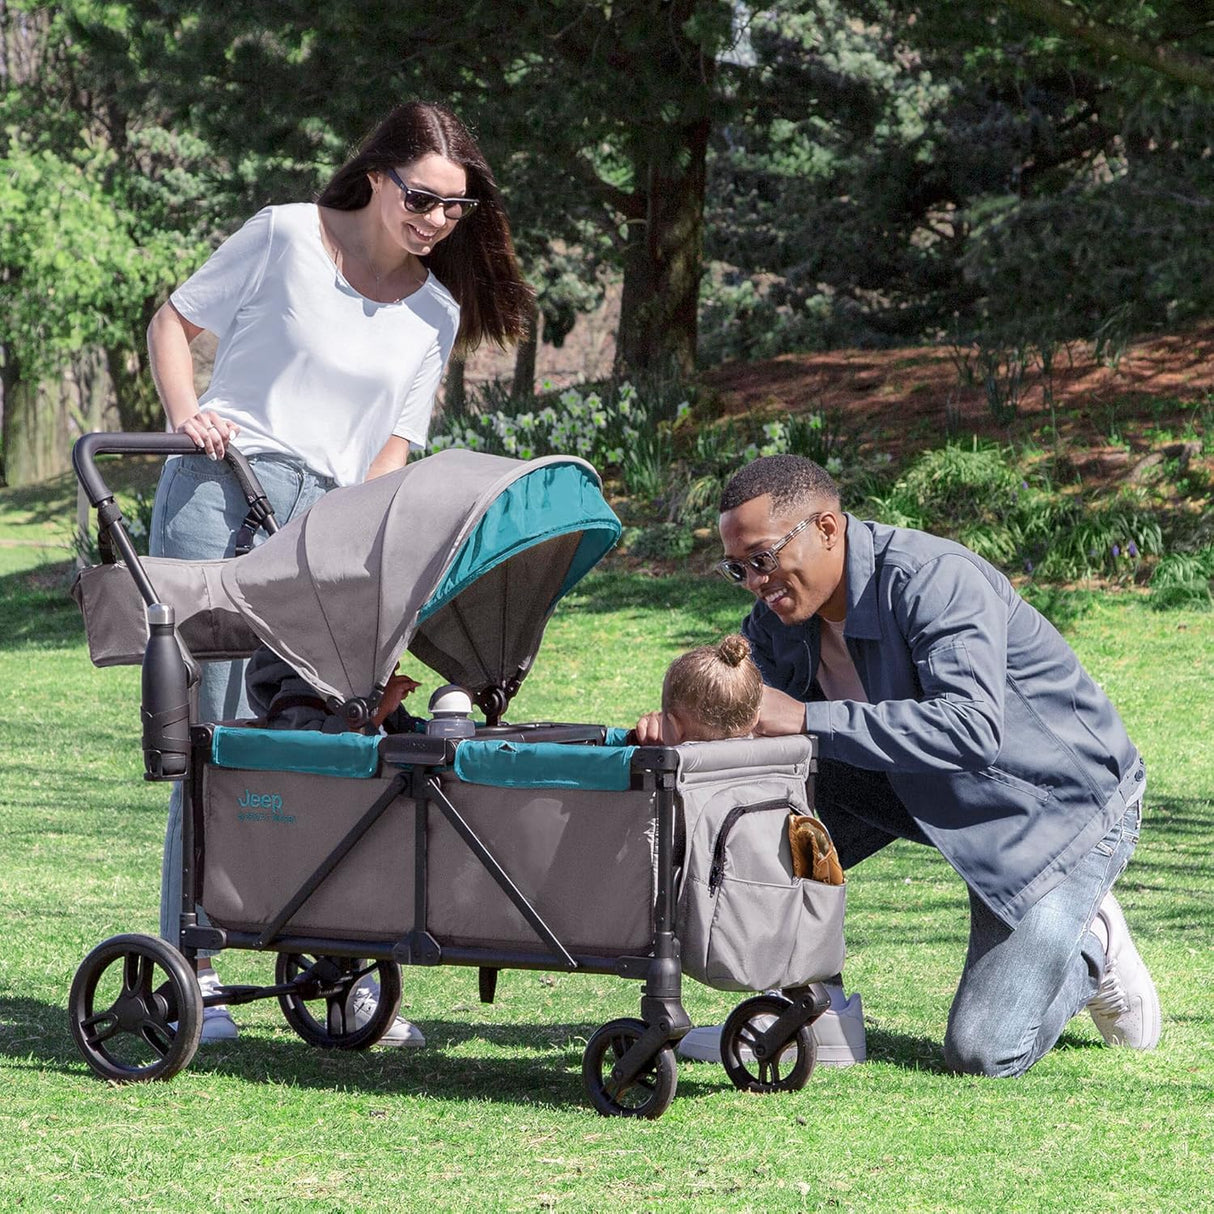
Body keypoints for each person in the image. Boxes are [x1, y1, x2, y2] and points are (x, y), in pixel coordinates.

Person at [146, 100, 532, 1045]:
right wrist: (186, 412)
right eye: (425, 199)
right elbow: (171, 321)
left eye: (457, 210)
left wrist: (364, 546)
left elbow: (394, 448)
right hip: (220, 489)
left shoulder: (434, 312)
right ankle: (190, 961)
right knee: (213, 729)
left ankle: (347, 965)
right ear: (377, 176)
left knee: (338, 733)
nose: (438, 221)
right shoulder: (283, 236)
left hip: (329, 521)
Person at [695, 452, 1160, 1076]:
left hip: (1054, 813)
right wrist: (682, 722)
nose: (755, 581)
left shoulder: (932, 579)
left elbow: (971, 731)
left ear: (826, 528)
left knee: (984, 1052)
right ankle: (816, 1007)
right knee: (768, 818)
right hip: (918, 788)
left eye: (763, 559)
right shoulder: (780, 618)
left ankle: (1092, 949)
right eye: (738, 568)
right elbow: (746, 721)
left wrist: (808, 718)